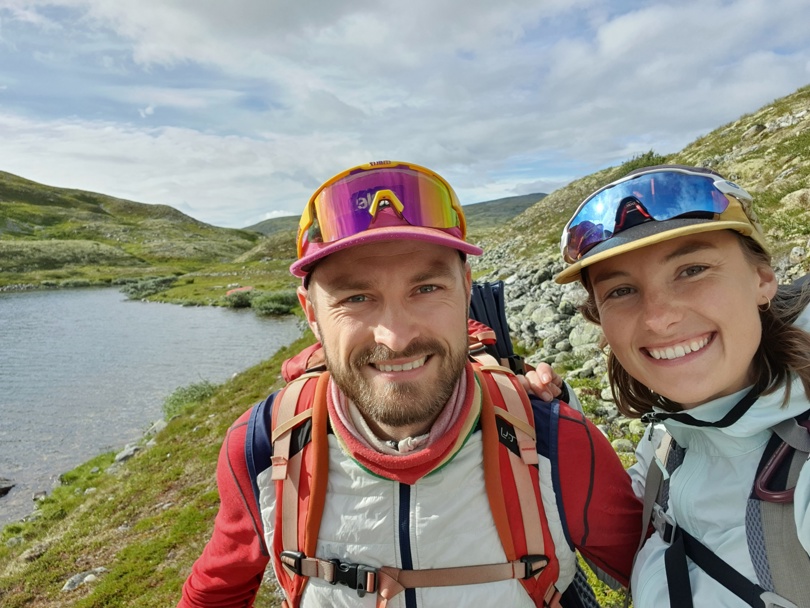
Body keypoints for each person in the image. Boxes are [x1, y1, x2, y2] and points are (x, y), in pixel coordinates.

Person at [178, 160, 642, 607]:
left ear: (466, 289)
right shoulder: (261, 448)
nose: (396, 337)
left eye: (426, 289)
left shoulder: (557, 444)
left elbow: (667, 578)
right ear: (311, 313)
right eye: (356, 297)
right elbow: (216, 591)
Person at [530, 164, 810, 607]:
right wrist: (557, 415)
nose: (658, 317)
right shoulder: (669, 433)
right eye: (621, 291)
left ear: (763, 278)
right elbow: (634, 518)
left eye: (692, 269)